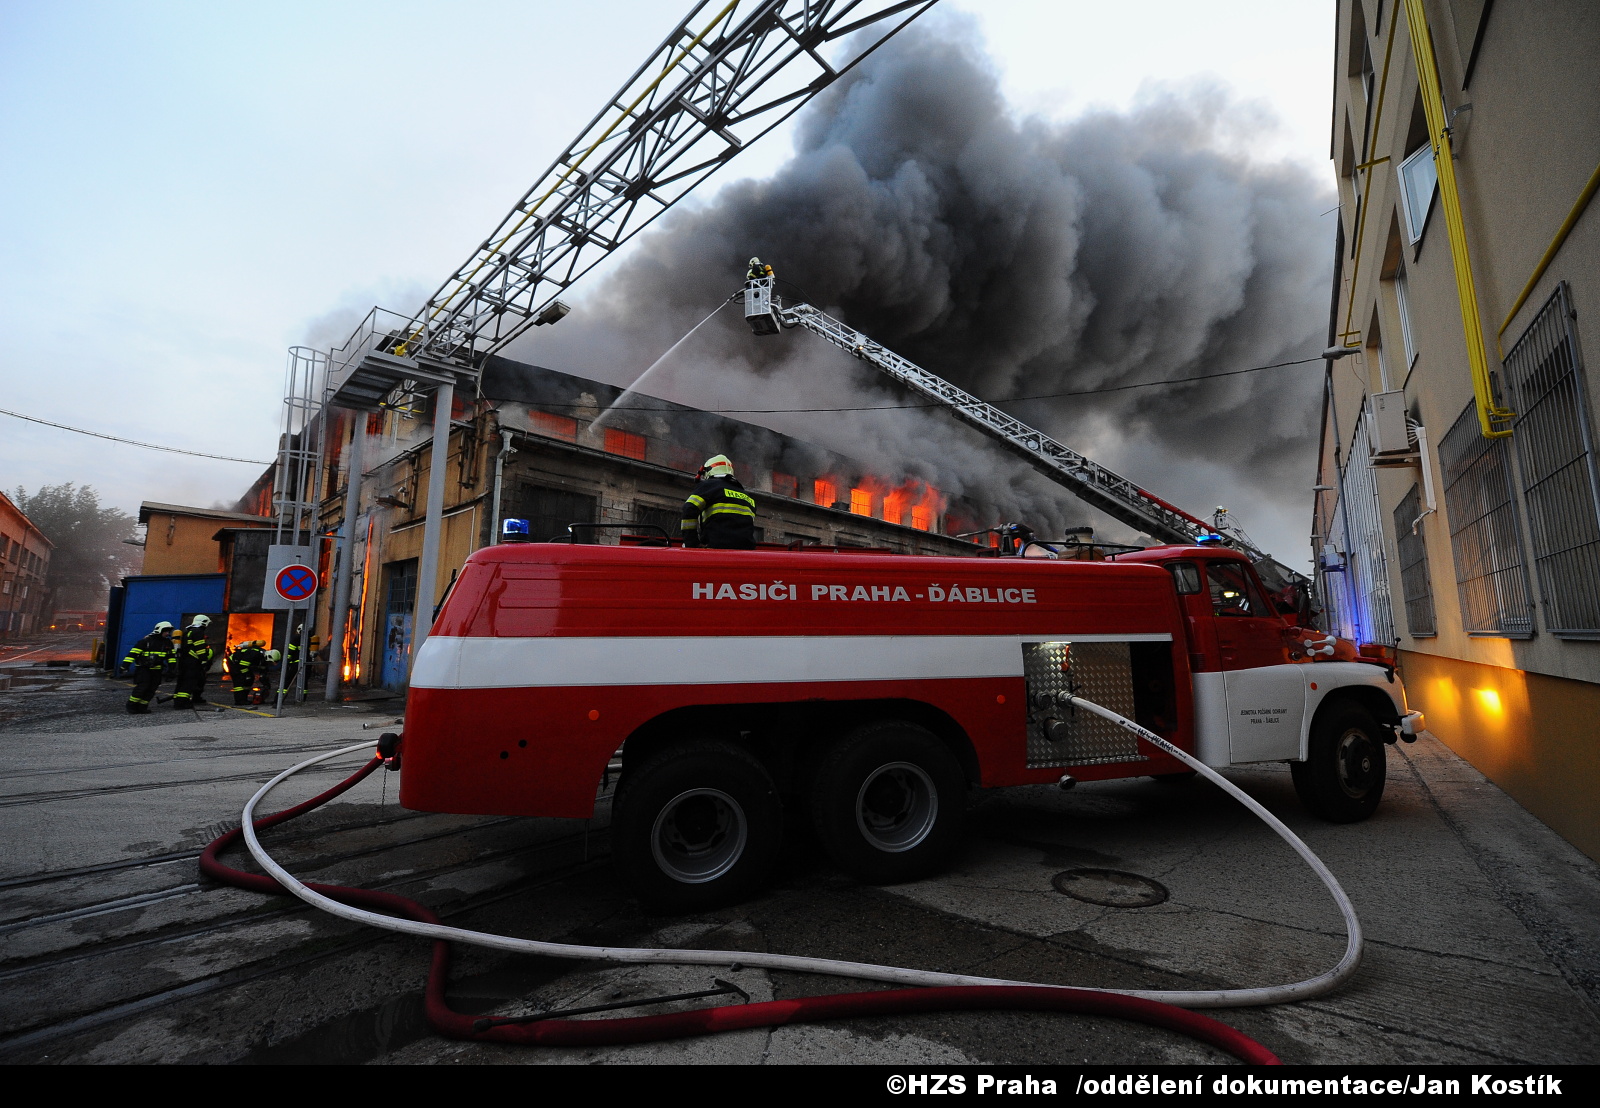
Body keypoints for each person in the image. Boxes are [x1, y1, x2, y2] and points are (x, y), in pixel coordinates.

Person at [680, 454, 757, 550]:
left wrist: (691, 543)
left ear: (709, 471)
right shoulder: (746, 496)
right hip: (746, 552)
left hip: (717, 549)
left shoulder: (709, 486)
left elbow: (689, 508)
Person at [121, 622, 176, 714]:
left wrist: (171, 670)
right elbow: (132, 655)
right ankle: (131, 706)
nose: (167, 633)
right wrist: (124, 666)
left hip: (157, 670)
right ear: (159, 630)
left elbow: (171, 658)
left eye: (168, 631)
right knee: (142, 687)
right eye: (165, 631)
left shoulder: (168, 643)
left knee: (152, 689)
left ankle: (143, 706)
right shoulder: (145, 642)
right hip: (143, 669)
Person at [171, 615, 215, 709]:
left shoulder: (188, 632)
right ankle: (181, 703)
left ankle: (178, 700)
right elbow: (200, 648)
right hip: (192, 662)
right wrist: (204, 660)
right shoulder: (198, 632)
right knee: (189, 682)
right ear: (204, 622)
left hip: (184, 661)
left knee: (182, 682)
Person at [228, 639, 266, 706]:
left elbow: (263, 668)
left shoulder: (261, 655)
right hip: (234, 664)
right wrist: (247, 674)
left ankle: (244, 699)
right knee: (239, 682)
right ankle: (239, 701)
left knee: (249, 679)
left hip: (241, 665)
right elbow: (242, 666)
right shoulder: (254, 654)